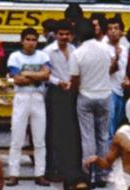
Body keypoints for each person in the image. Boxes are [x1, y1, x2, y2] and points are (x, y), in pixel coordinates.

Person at [70, 19, 113, 187]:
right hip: (105, 94)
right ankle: (103, 174)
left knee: (87, 137)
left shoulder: (77, 53)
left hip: (86, 95)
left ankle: (89, 174)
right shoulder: (106, 48)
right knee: (103, 136)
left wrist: (74, 91)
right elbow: (112, 65)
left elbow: (74, 79)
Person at [6, 27, 51, 187]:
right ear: (22, 41)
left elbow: (46, 74)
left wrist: (26, 74)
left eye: (34, 40)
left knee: (39, 138)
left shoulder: (43, 56)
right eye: (28, 39)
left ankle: (40, 173)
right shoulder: (15, 57)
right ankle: (13, 174)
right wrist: (36, 77)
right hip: (22, 97)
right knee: (17, 137)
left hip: (38, 97)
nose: (31, 43)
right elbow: (17, 78)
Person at [43, 19, 78, 180]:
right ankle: (52, 168)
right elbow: (45, 74)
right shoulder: (48, 51)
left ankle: (66, 167)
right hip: (55, 93)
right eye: (61, 34)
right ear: (55, 35)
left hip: (71, 93)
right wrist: (58, 82)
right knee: (54, 131)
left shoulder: (74, 50)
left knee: (69, 131)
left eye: (67, 34)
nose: (64, 37)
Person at [105, 16, 129, 144]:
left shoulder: (125, 49)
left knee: (118, 128)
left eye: (116, 28)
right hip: (109, 91)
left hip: (121, 91)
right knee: (109, 128)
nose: (113, 31)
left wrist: (127, 80)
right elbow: (104, 73)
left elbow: (124, 70)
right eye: (110, 29)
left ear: (121, 32)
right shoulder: (103, 48)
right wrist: (116, 59)